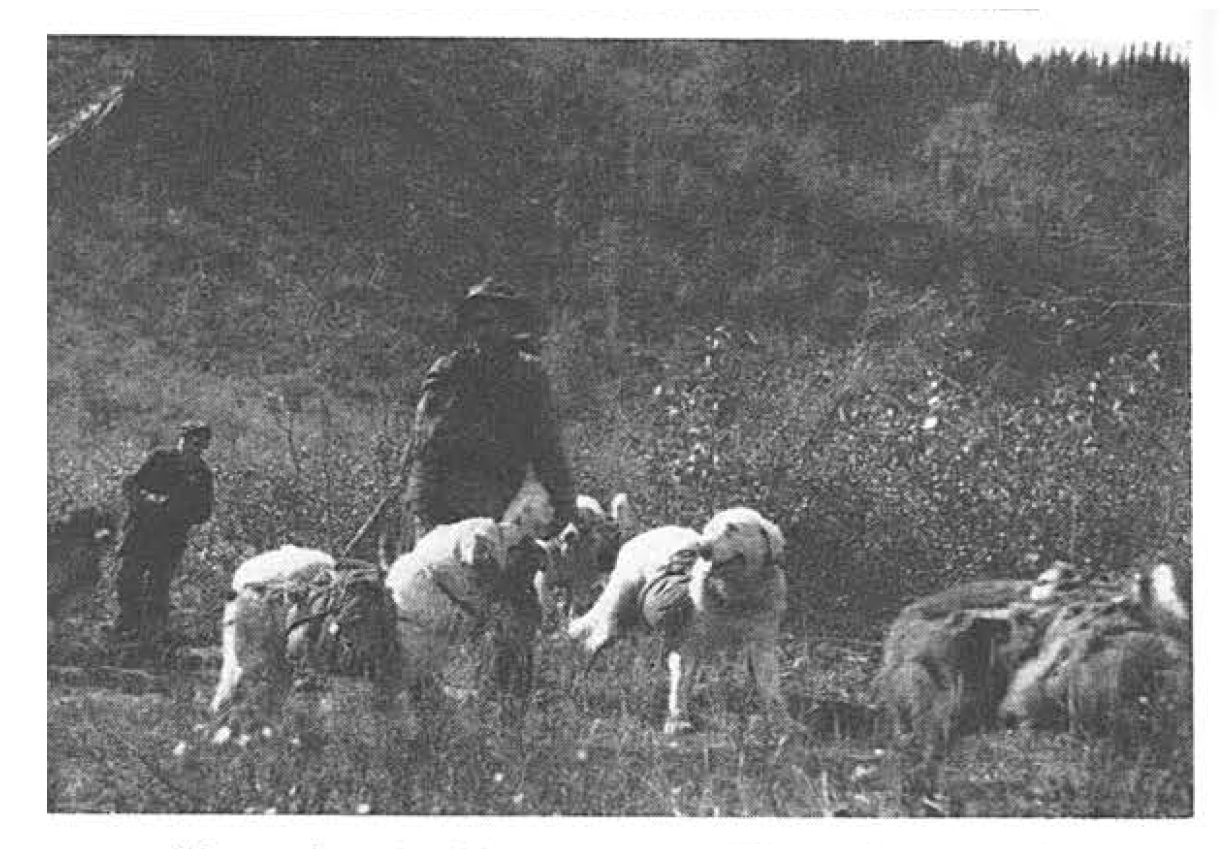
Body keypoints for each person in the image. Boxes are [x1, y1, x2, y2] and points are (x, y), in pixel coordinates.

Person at [395, 278, 577, 703]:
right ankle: (419, 697)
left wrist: (563, 501)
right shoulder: (450, 372)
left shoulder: (529, 377)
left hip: (494, 507)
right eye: (476, 320)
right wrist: (423, 511)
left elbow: (546, 445)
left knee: (513, 604)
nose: (483, 328)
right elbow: (426, 441)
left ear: (511, 322)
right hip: (438, 502)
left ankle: (504, 704)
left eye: (492, 319)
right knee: (425, 602)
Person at [114, 420, 214, 654]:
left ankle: (152, 638)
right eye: (191, 440)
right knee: (127, 578)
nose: (195, 446)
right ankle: (127, 625)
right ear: (182, 439)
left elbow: (204, 512)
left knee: (158, 588)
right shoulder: (160, 459)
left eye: (200, 442)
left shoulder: (202, 475)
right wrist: (145, 502)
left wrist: (179, 513)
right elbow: (130, 484)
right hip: (141, 531)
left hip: (171, 539)